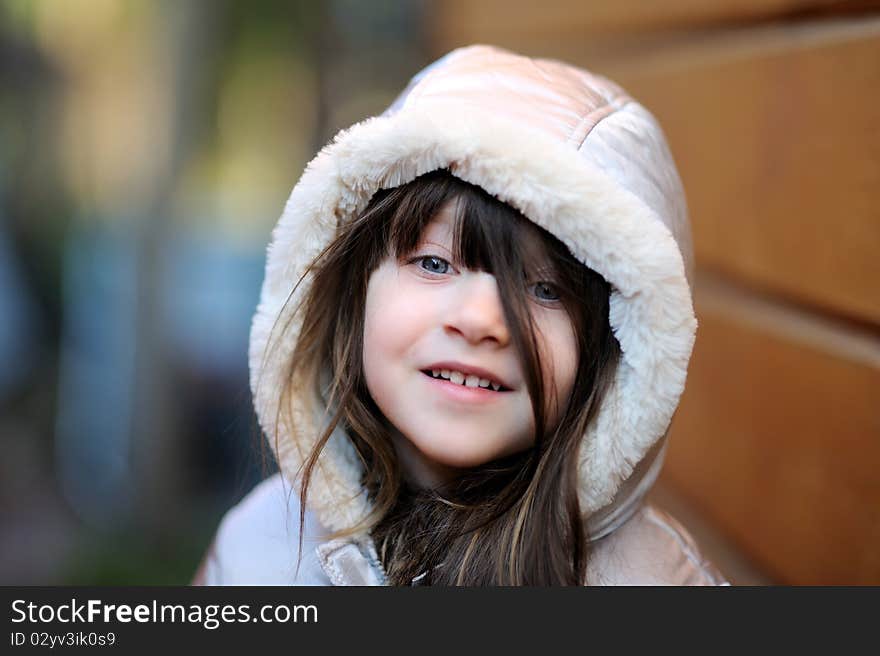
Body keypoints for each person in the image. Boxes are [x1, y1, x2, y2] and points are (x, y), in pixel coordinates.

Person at [193, 44, 727, 586]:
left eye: (545, 290)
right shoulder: (256, 551)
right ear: (351, 295)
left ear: (613, 352)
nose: (479, 321)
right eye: (433, 262)